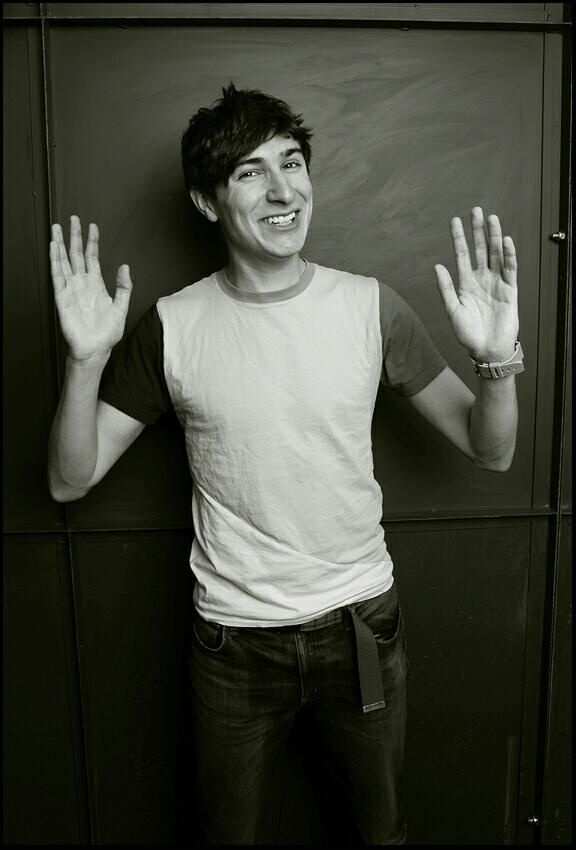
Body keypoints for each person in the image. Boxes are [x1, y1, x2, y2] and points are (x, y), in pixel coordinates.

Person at [47, 83, 522, 845]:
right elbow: (69, 479)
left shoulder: (372, 308)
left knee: (381, 833)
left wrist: (497, 364)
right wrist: (84, 362)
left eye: (292, 163)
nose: (282, 190)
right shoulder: (172, 326)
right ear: (208, 202)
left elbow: (491, 450)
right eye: (249, 172)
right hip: (232, 645)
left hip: (362, 627)